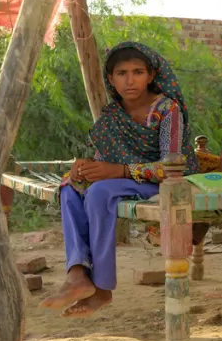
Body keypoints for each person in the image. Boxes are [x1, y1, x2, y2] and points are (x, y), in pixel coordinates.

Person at [40, 41, 205, 318]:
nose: (130, 80)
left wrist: (120, 171)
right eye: (122, 73)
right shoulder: (113, 115)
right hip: (124, 180)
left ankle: (102, 289)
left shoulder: (167, 110)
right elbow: (105, 157)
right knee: (70, 186)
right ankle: (77, 274)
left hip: (165, 182)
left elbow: (172, 168)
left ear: (151, 75)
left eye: (138, 72)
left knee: (99, 193)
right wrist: (85, 168)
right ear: (111, 79)